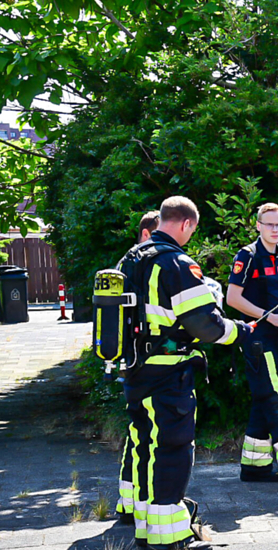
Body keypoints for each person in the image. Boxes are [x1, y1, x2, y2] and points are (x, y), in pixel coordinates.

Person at [120, 196, 251, 550]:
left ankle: (149, 532)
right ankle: (168, 542)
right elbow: (205, 325)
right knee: (173, 451)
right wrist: (241, 332)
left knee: (147, 449)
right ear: (187, 224)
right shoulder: (176, 262)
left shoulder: (131, 259)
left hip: (135, 369)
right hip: (168, 372)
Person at [226, 203, 278, 491]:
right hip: (257, 337)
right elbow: (232, 299)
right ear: (258, 225)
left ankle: (255, 467)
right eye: (270, 224)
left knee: (265, 397)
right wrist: (269, 316)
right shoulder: (246, 256)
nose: (275, 229)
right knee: (277, 396)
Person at [116, 210, 162, 526]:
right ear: (147, 234)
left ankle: (126, 502)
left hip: (128, 359)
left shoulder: (123, 266)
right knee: (146, 436)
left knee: (136, 433)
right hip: (146, 360)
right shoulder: (143, 266)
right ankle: (139, 509)